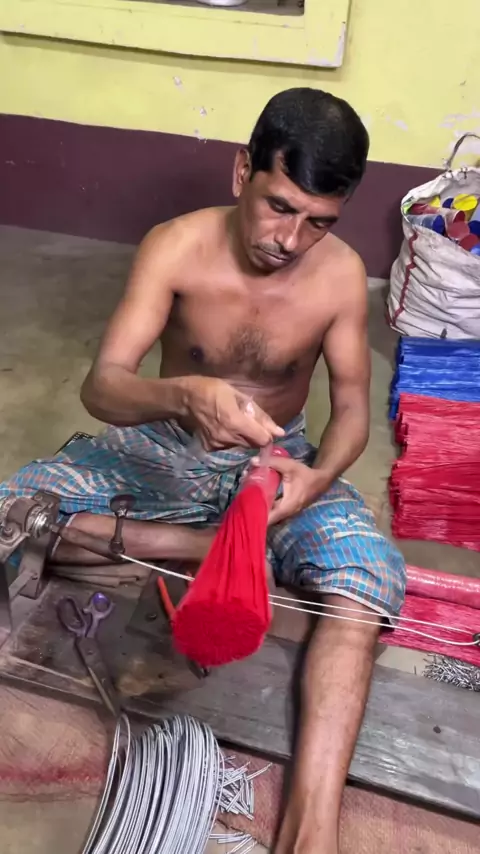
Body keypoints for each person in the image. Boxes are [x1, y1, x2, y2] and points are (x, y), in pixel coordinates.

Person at [0, 88, 405, 854]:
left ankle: (310, 833)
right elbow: (104, 386)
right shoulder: (176, 246)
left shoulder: (341, 276)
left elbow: (353, 409)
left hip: (274, 465)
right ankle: (202, 549)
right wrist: (183, 395)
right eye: (279, 207)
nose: (290, 240)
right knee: (12, 509)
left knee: (365, 582)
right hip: (162, 446)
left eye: (319, 221)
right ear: (242, 171)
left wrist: (315, 481)